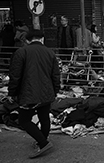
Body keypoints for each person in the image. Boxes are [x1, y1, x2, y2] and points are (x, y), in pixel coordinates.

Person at [7, 28, 61, 158]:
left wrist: (11, 92)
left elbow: (15, 75)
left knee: (24, 120)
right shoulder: (50, 53)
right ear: (42, 39)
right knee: (44, 116)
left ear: (27, 40)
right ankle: (42, 140)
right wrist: (56, 90)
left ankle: (43, 143)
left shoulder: (21, 52)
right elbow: (56, 75)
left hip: (29, 94)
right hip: (47, 92)